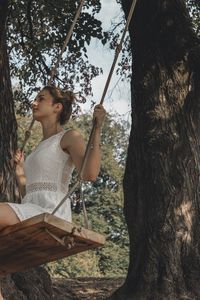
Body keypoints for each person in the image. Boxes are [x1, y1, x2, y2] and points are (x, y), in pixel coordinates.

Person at [0, 85, 106, 231]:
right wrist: (20, 171)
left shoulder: (69, 137)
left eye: (41, 99)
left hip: (52, 211)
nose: (34, 103)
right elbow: (28, 193)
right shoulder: (37, 149)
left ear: (57, 107)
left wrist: (97, 129)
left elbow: (89, 174)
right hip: (30, 209)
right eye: (35, 99)